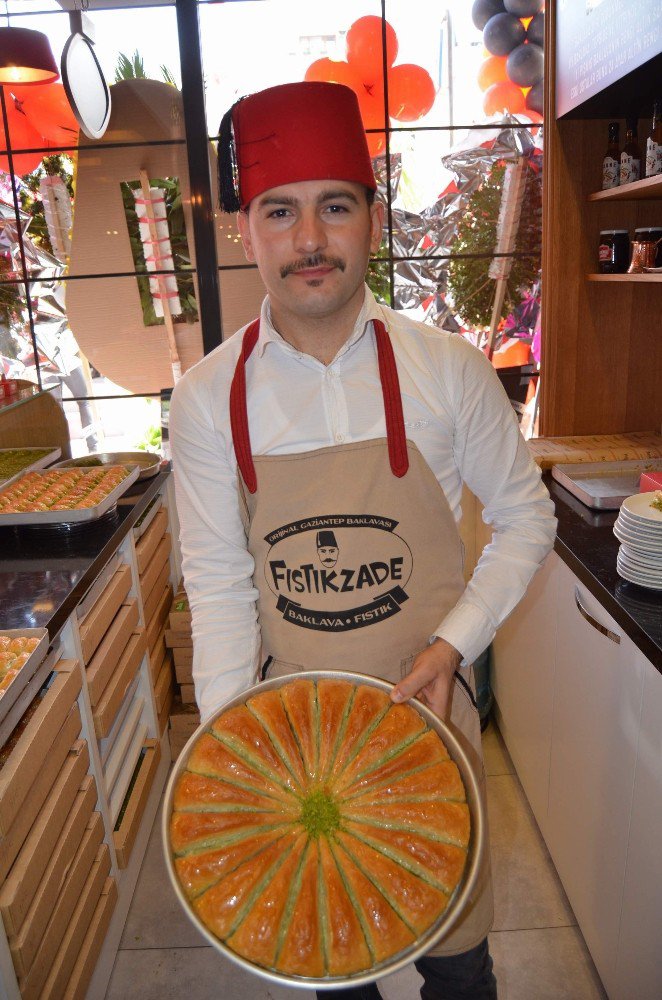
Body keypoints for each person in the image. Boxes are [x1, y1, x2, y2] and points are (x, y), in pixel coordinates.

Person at [170, 81, 557, 1000]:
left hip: (428, 738)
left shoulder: (450, 373)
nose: (310, 241)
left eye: (334, 207)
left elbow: (525, 517)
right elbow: (221, 585)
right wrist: (237, 751)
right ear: (247, 231)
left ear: (372, 219)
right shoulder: (205, 400)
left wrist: (451, 647)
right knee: (333, 962)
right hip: (298, 750)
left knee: (460, 969)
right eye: (280, 212)